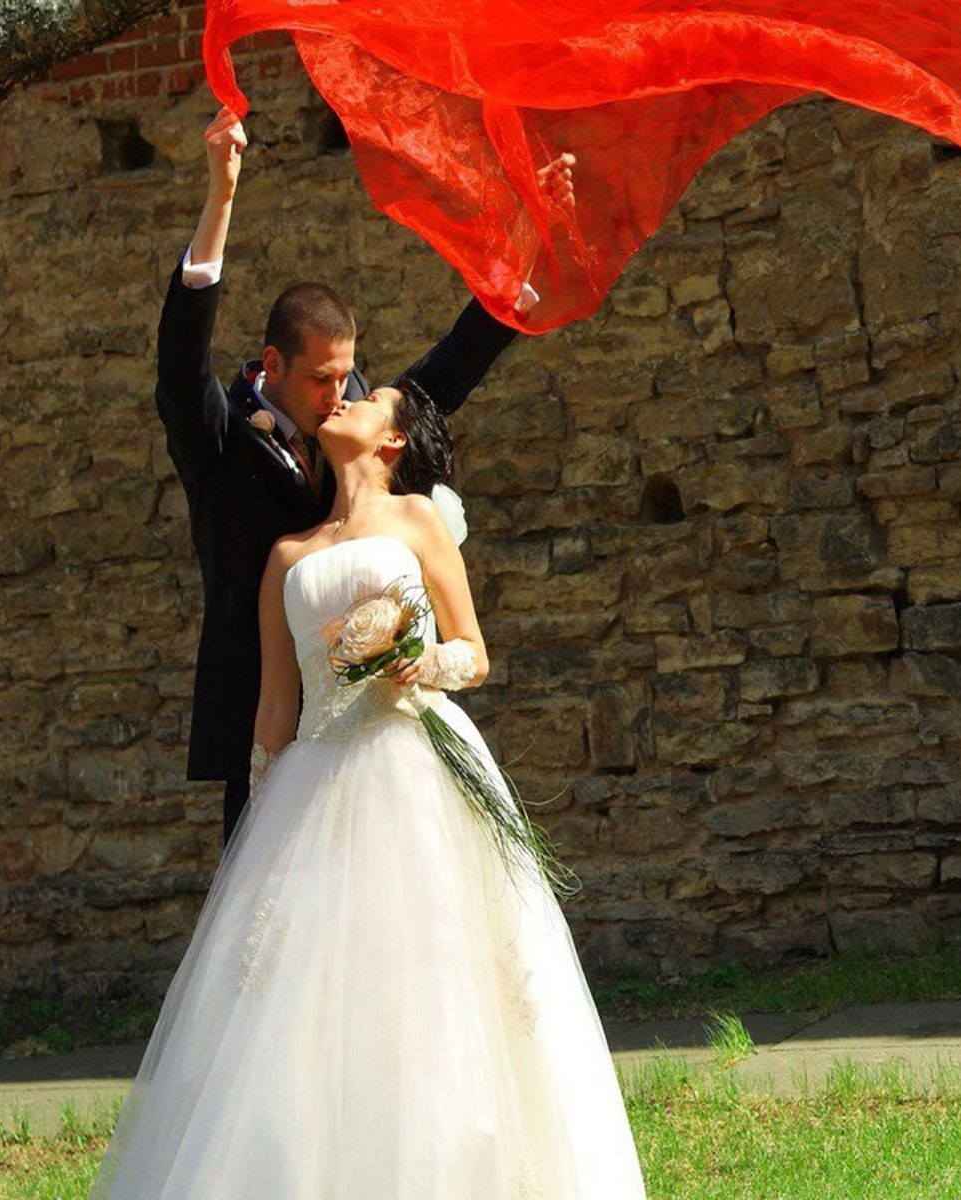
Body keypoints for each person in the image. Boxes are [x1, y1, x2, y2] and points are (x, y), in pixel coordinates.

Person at [87, 377, 647, 1198]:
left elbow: (476, 651)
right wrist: (256, 833)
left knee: (438, 972)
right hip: (316, 779)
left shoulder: (416, 520)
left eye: (369, 396)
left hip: (418, 760)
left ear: (393, 442)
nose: (346, 396)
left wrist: (426, 665)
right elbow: (277, 707)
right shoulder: (288, 558)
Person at [156, 105, 574, 843]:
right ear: (272, 366)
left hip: (377, 723)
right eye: (322, 380)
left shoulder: (359, 417)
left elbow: (453, 367)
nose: (339, 396)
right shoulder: (218, 437)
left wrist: (526, 243)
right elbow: (179, 363)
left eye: (350, 378)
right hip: (267, 709)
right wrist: (219, 198)